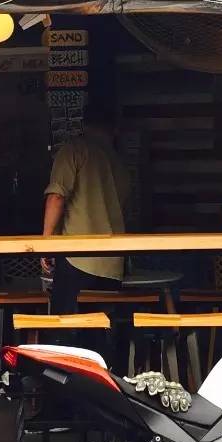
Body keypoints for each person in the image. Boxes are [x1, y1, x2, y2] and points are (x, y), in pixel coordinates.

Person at [41, 97, 131, 315]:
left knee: (67, 328)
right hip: (112, 263)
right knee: (102, 327)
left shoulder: (74, 150)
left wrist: (45, 243)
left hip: (78, 259)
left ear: (84, 123)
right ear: (114, 128)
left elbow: (56, 197)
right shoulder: (119, 162)